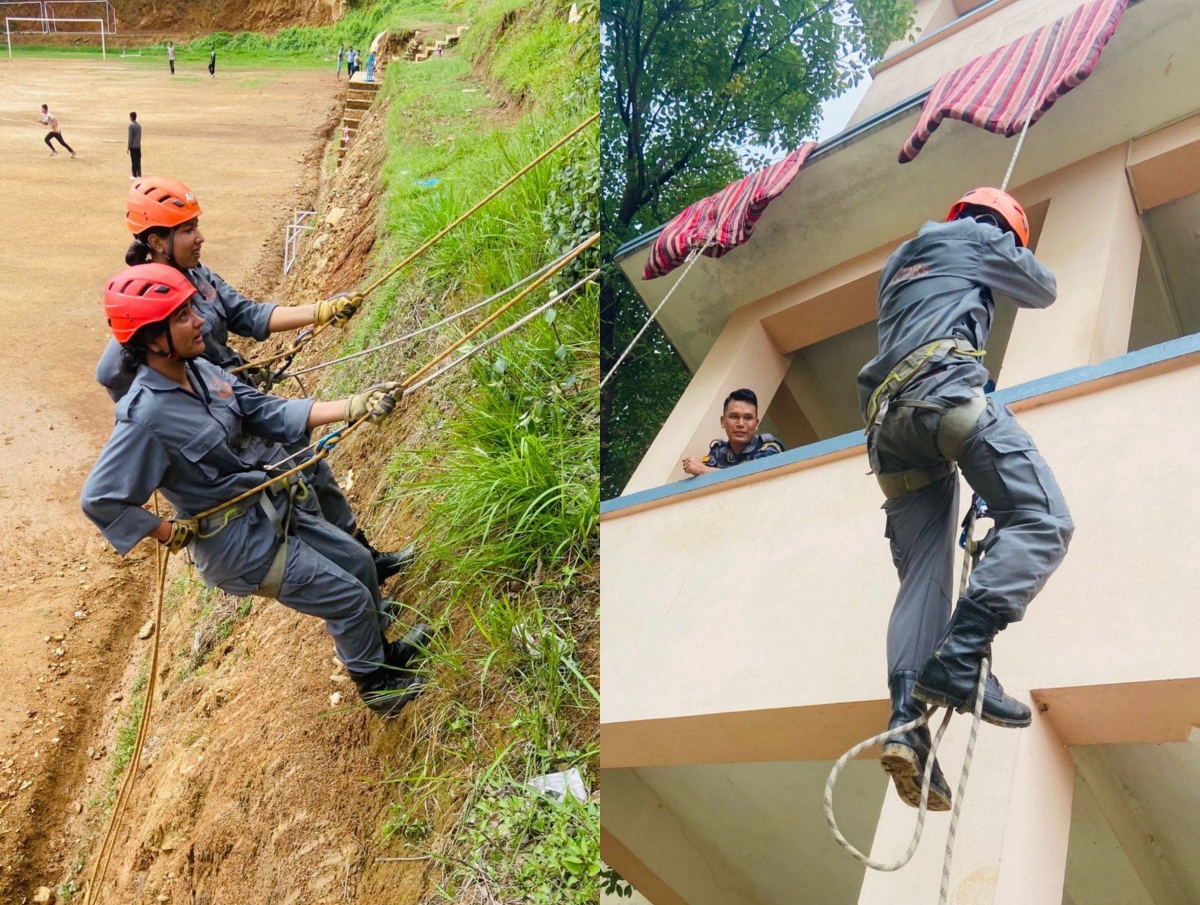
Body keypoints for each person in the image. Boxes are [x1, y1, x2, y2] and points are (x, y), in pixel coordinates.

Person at [82, 264, 430, 719]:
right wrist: (167, 532)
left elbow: (265, 410)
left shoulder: (201, 370)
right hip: (239, 547)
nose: (199, 321)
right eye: (183, 315)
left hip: (269, 508)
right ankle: (377, 688)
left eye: (192, 308)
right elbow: (101, 498)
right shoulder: (144, 419)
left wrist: (353, 406)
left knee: (360, 563)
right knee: (345, 597)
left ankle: (382, 654)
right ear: (153, 341)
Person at [857, 188, 1074, 813]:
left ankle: (906, 720)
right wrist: (1007, 245)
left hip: (887, 429)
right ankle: (961, 657)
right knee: (1042, 520)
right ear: (1001, 227)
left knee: (923, 573)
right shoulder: (982, 239)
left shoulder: (902, 259)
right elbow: (1042, 288)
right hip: (945, 397)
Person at [95, 176, 417, 586]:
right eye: (188, 229)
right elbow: (110, 374)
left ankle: (364, 559)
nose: (200, 237)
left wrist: (320, 311)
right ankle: (352, 581)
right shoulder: (146, 306)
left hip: (239, 397)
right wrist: (170, 413)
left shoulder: (197, 277)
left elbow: (249, 314)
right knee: (299, 491)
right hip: (223, 423)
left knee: (316, 471)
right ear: (158, 241)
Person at [681, 388, 784, 475]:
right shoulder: (718, 451)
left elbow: (756, 475)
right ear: (723, 421)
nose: (740, 424)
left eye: (748, 418)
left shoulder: (769, 445)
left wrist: (704, 470)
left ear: (756, 424)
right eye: (734, 417)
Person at [127, 112, 142, 180]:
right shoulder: (139, 126)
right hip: (138, 146)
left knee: (133, 161)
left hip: (133, 146)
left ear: (131, 117)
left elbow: (130, 137)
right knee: (138, 161)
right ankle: (139, 174)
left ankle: (134, 175)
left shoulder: (131, 126)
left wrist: (128, 147)